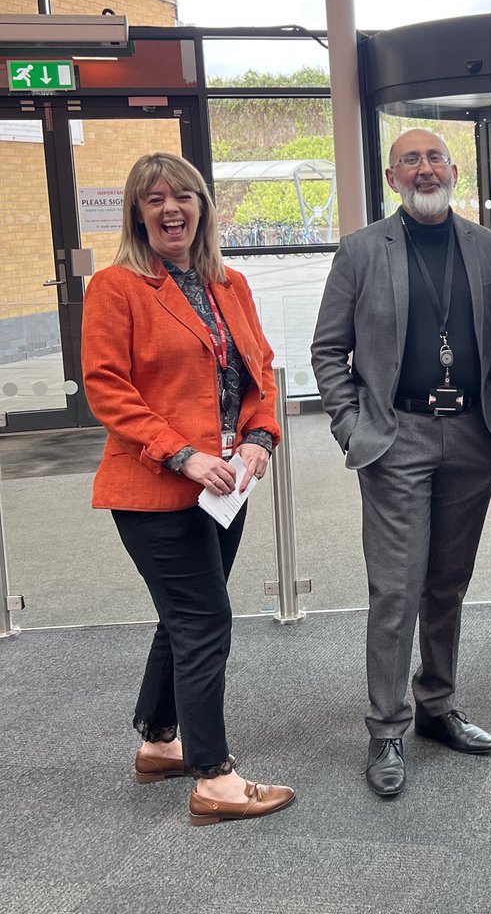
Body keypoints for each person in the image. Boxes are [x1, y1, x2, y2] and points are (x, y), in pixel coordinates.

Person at [81, 152, 294, 827]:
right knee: (204, 622)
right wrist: (181, 454)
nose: (171, 209)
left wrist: (260, 438)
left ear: (202, 206)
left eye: (183, 197)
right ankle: (214, 778)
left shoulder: (229, 283)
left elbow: (258, 372)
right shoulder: (116, 288)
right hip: (155, 487)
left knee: (187, 617)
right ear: (138, 215)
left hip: (226, 485)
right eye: (154, 199)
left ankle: (159, 741)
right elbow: (107, 388)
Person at [311, 129, 491, 799]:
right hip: (395, 437)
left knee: (447, 584)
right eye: (411, 161)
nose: (425, 170)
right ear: (393, 177)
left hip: (471, 440)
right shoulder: (363, 250)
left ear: (453, 170)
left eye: (435, 159)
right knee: (396, 589)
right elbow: (327, 351)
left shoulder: (488, 248)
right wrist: (352, 426)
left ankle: (437, 705)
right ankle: (386, 728)